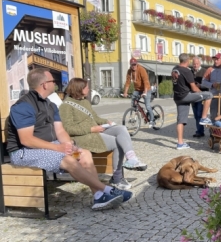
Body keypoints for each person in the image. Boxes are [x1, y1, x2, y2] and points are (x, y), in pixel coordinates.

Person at [6, 68, 131, 211]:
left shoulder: (50, 104)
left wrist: (68, 144)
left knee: (84, 153)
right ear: (44, 85)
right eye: (53, 81)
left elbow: (60, 130)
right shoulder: (23, 106)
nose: (56, 84)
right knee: (67, 160)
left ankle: (98, 196)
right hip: (23, 152)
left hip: (48, 146)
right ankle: (107, 190)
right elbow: (26, 140)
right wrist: (59, 148)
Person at [59, 78, 148, 190]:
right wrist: (91, 129)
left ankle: (131, 158)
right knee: (116, 142)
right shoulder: (65, 106)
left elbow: (95, 118)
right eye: (86, 87)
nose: (89, 89)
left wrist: (106, 122)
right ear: (79, 88)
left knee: (121, 128)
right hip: (82, 137)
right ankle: (117, 178)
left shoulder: (85, 102)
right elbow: (68, 128)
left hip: (94, 131)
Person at [172, 53, 213, 149]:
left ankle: (180, 143)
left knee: (180, 120)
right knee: (209, 95)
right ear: (187, 61)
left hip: (177, 98)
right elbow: (194, 88)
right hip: (186, 96)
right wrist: (201, 95)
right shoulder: (186, 71)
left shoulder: (175, 69)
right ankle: (204, 118)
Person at [123, 58, 155, 127]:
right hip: (137, 90)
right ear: (130, 65)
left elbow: (146, 81)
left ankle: (152, 120)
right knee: (133, 103)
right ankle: (135, 115)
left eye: (135, 64)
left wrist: (145, 92)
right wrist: (125, 92)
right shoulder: (129, 71)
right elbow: (128, 82)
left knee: (147, 106)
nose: (133, 66)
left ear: (137, 64)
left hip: (146, 89)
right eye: (132, 65)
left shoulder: (141, 69)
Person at [191, 56, 207, 138]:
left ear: (200, 63)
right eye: (194, 64)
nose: (195, 65)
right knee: (196, 115)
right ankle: (199, 130)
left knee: (199, 114)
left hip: (201, 96)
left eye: (197, 64)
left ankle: (200, 131)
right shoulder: (190, 71)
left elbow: (207, 85)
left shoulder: (204, 71)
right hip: (193, 96)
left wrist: (200, 86)